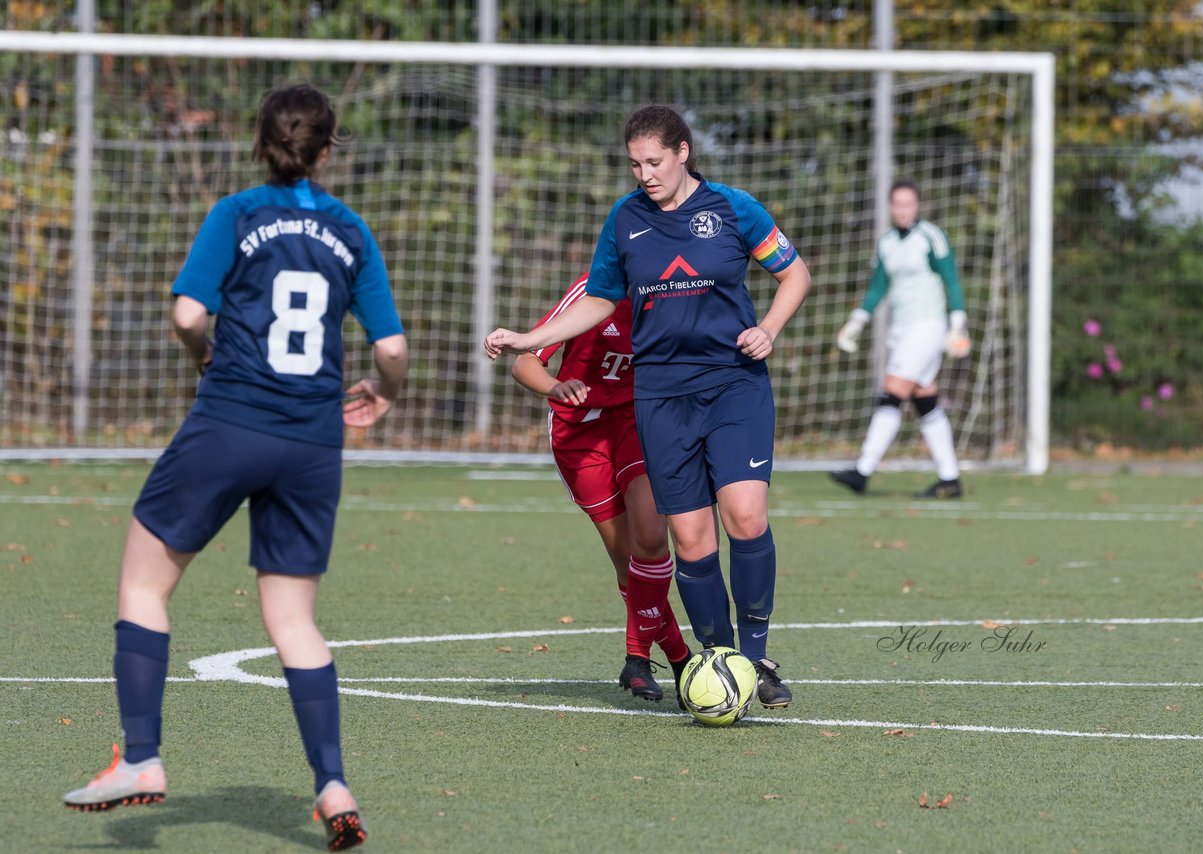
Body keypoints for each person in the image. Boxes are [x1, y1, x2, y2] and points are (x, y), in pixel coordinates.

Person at [63, 84, 407, 852]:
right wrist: (384, 395)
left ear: (261, 143)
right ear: (327, 149)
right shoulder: (351, 231)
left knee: (144, 585)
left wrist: (203, 354)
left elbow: (188, 313)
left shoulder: (238, 212)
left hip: (232, 421)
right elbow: (390, 349)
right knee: (293, 620)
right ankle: (333, 785)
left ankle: (142, 759)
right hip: (313, 440)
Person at [486, 105, 812, 709]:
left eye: (655, 162)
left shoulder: (736, 208)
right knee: (689, 539)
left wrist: (769, 327)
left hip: (734, 383)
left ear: (684, 152)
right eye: (635, 164)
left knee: (745, 516)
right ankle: (721, 657)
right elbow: (601, 300)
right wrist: (531, 341)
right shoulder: (625, 219)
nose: (645, 174)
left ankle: (759, 655)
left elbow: (795, 276)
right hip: (660, 396)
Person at [510, 273, 692, 703]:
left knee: (650, 534)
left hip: (635, 424)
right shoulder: (595, 289)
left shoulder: (678, 290)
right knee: (626, 559)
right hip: (580, 436)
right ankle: (683, 660)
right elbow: (525, 361)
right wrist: (557, 386)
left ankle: (637, 658)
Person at [831, 179, 970, 498]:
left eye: (908, 204)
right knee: (924, 399)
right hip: (900, 329)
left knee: (892, 391)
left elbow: (951, 279)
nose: (903, 210)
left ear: (917, 205)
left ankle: (862, 470)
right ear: (891, 207)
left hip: (928, 326)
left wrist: (957, 322)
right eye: (897, 204)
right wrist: (857, 321)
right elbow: (878, 286)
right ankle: (950, 479)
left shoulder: (930, 237)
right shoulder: (887, 242)